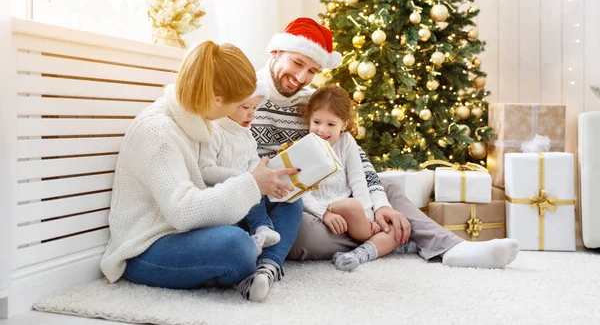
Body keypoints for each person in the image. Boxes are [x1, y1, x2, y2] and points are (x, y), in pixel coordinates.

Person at [252, 17, 519, 269]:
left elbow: (357, 161)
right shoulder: (248, 97)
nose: (301, 77)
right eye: (297, 63)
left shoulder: (313, 101)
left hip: (334, 196)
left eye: (312, 70)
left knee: (386, 189)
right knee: (300, 233)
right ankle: (390, 240)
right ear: (276, 52)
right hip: (288, 203)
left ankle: (451, 247)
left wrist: (380, 207)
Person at [100, 41, 304, 303]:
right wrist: (251, 184)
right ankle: (244, 266)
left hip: (193, 229)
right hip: (149, 246)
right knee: (235, 244)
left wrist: (264, 182)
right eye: (237, 105)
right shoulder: (159, 133)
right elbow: (182, 213)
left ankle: (266, 268)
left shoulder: (197, 121)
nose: (239, 112)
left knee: (287, 198)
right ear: (217, 99)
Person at [302, 85, 417, 271]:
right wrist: (324, 213)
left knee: (392, 227)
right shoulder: (304, 146)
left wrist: (368, 217)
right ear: (309, 120)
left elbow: (358, 179)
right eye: (316, 122)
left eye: (331, 124)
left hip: (353, 213)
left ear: (344, 125)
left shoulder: (347, 142)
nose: (322, 130)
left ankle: (356, 255)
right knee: (352, 206)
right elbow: (300, 191)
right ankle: (385, 244)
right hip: (322, 210)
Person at [199, 80, 281, 256]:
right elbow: (205, 169)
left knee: (257, 191)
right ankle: (246, 242)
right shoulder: (215, 131)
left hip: (245, 194)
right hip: (221, 196)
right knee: (248, 187)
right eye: (245, 107)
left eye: (254, 109)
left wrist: (258, 173)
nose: (251, 114)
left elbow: (253, 160)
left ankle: (262, 229)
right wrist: (242, 177)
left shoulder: (247, 134)